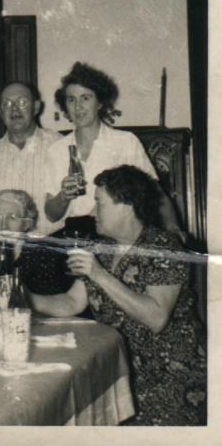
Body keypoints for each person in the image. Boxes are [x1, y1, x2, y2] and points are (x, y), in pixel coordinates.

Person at [26, 165, 206, 425]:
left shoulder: (164, 246)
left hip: (169, 375)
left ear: (126, 205)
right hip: (119, 368)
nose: (92, 212)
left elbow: (156, 317)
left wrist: (98, 274)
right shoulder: (103, 248)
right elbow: (72, 302)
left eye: (99, 204)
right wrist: (23, 298)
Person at [45, 62, 179, 237]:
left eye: (86, 98)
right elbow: (51, 215)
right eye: (71, 99)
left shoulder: (126, 142)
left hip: (116, 236)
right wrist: (64, 196)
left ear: (100, 103)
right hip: (74, 235)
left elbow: (156, 194)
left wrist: (174, 228)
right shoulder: (56, 150)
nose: (78, 106)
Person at [0, 82, 61, 236]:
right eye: (7, 104)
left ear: (36, 107)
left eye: (22, 102)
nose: (14, 109)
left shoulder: (58, 146)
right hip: (5, 252)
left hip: (53, 251)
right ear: (0, 112)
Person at [0, 190, 73, 295]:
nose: (4, 226)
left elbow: (51, 302)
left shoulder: (42, 255)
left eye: (12, 218)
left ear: (27, 223)